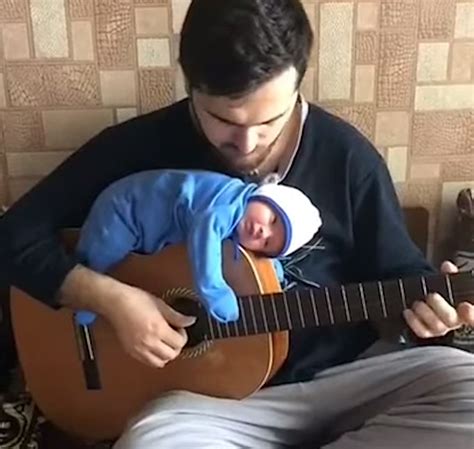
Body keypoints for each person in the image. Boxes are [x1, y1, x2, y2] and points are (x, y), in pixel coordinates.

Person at [0, 0, 472, 448]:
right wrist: (113, 300)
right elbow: (12, 236)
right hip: (214, 402)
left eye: (269, 120)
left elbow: (398, 281)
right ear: (191, 85)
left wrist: (431, 316)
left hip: (349, 379)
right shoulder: (137, 149)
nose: (246, 142)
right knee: (150, 441)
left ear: (297, 86)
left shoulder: (346, 156)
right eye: (223, 119)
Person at [74, 169, 321, 324]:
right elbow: (206, 234)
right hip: (126, 209)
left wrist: (270, 273)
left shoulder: (241, 219)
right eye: (272, 219)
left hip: (150, 235)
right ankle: (84, 298)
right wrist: (214, 291)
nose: (261, 231)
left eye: (267, 242)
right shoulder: (229, 205)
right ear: (263, 195)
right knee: (101, 254)